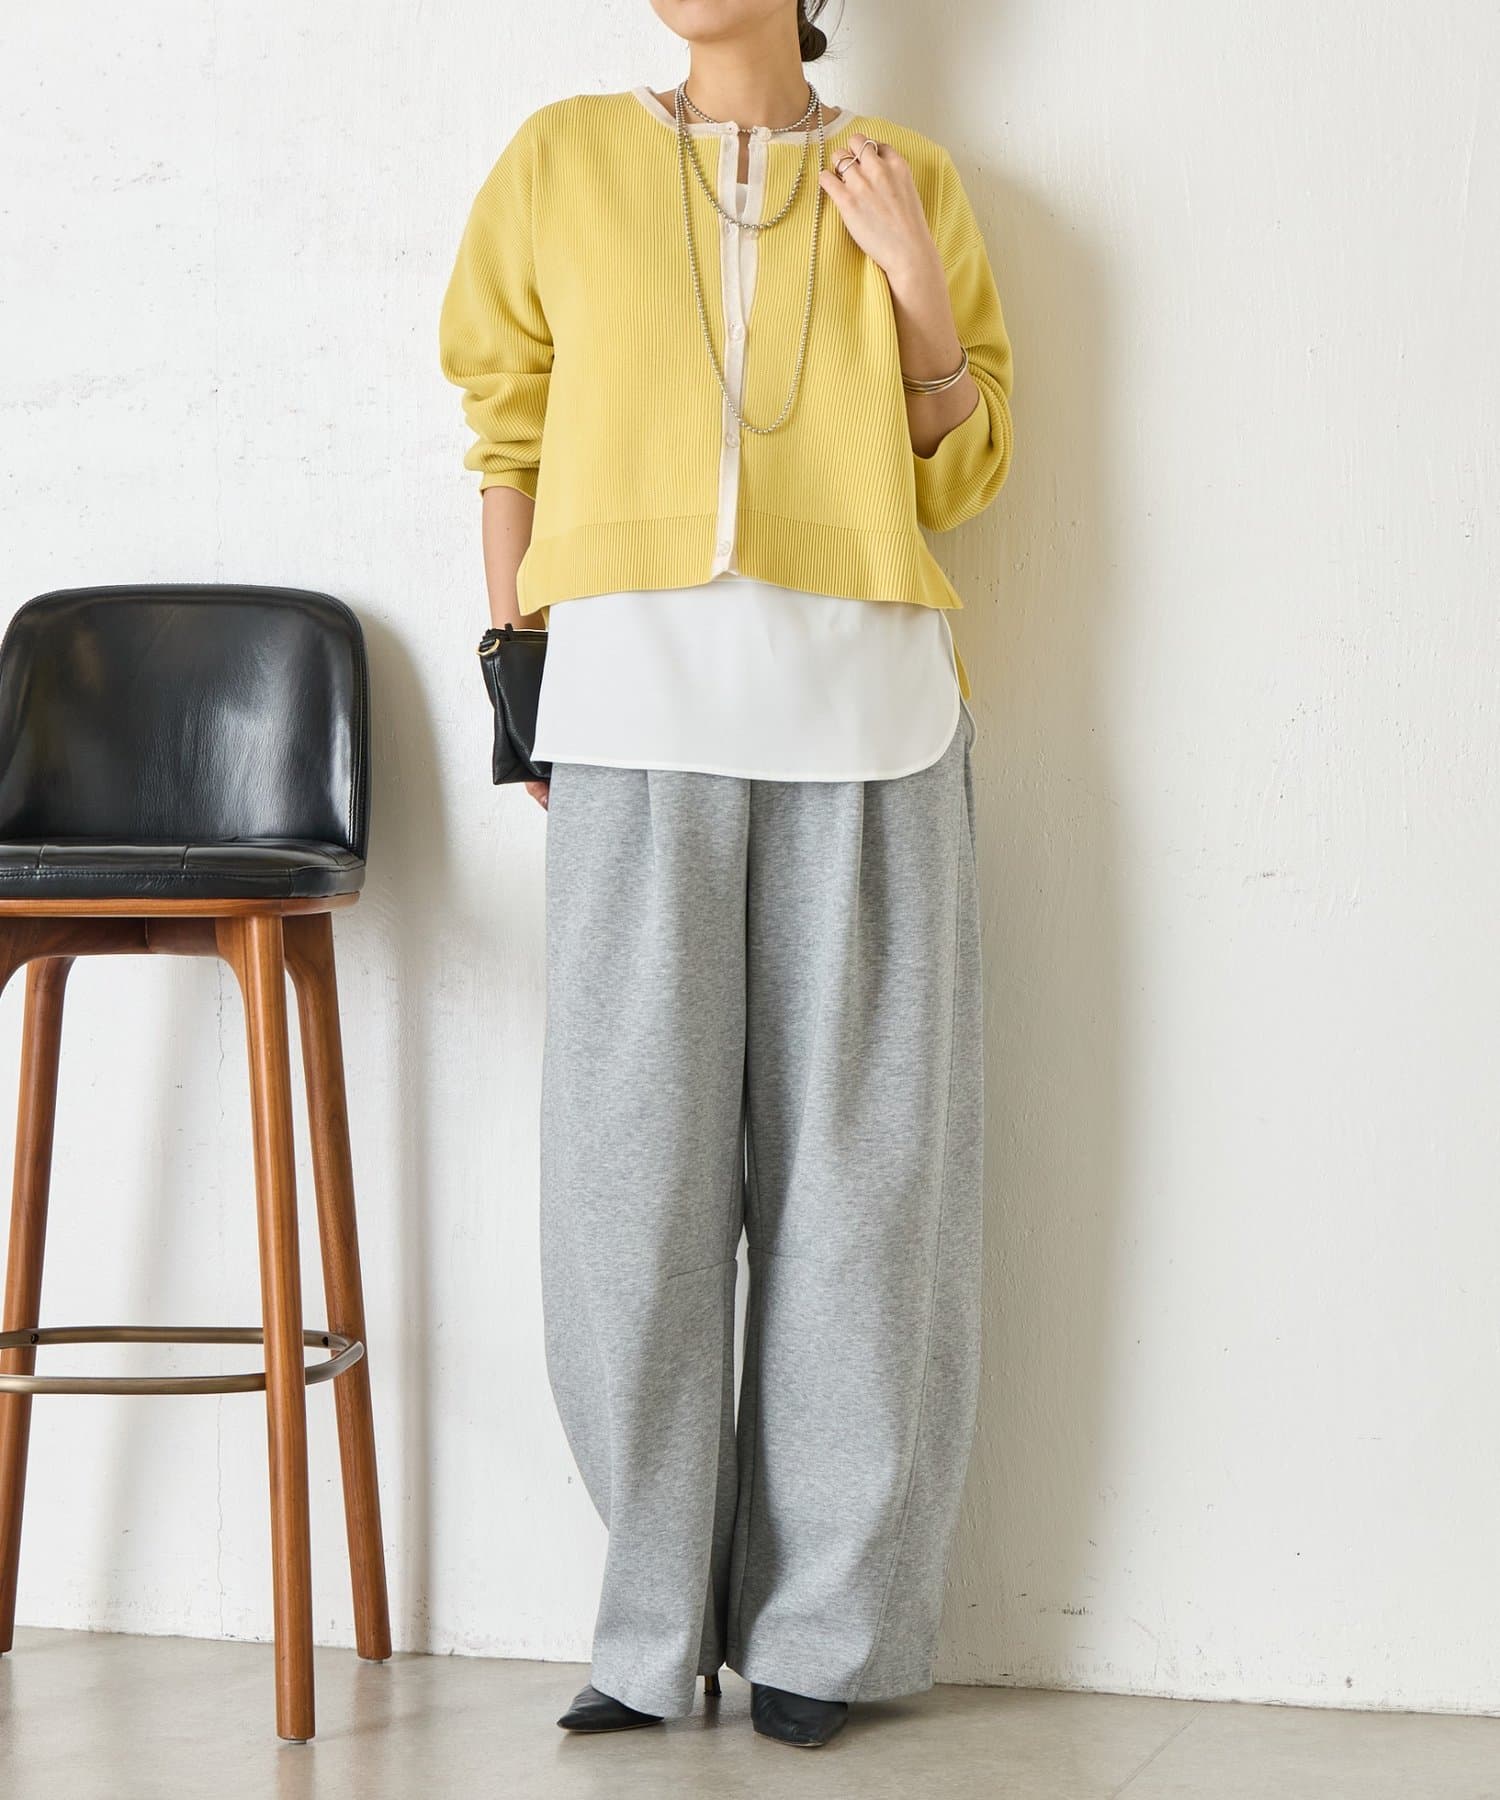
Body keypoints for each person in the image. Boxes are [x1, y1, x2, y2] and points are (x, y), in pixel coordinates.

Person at [439, 0, 1014, 1750]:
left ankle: (827, 1635)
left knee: (868, 1197)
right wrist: (521, 684)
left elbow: (967, 467)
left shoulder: (911, 176)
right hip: (630, 717)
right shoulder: (561, 159)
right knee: (629, 1195)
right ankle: (647, 1628)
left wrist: (914, 284)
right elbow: (507, 430)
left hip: (869, 722)